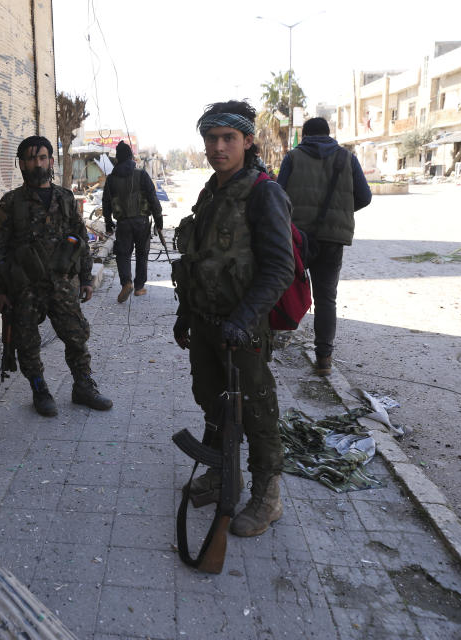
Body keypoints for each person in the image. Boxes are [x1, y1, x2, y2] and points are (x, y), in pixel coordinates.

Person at [173, 100, 295, 537]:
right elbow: (198, 260)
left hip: (243, 329)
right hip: (206, 323)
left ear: (248, 141)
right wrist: (185, 314)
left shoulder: (264, 192)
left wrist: (242, 320)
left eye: (228, 138)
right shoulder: (212, 191)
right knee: (212, 401)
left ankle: (267, 497)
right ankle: (225, 473)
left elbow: (279, 268)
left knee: (257, 410)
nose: (218, 146)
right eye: (211, 138)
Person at [0, 136, 113, 417]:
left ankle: (83, 386)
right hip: (26, 287)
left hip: (63, 284)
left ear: (50, 161)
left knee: (77, 336)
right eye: (31, 159)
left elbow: (79, 239)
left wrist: (85, 278)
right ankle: (39, 390)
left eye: (42, 157)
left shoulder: (65, 197)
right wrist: (1, 290)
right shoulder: (11, 203)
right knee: (27, 342)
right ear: (21, 164)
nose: (37, 164)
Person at [277, 117, 372, 376]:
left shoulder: (293, 158)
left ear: (305, 135)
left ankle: (276, 338)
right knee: (326, 298)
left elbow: (276, 195)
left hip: (296, 238)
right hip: (332, 239)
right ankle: (324, 359)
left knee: (282, 286)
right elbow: (365, 196)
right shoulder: (347, 158)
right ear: (328, 134)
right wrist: (337, 212)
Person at [102, 140, 163, 302]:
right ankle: (139, 287)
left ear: (117, 159)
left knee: (123, 255)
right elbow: (152, 197)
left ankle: (126, 283)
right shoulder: (141, 174)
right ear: (130, 157)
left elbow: (106, 203)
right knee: (142, 253)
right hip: (142, 222)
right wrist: (159, 219)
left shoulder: (111, 179)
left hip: (122, 223)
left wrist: (108, 222)